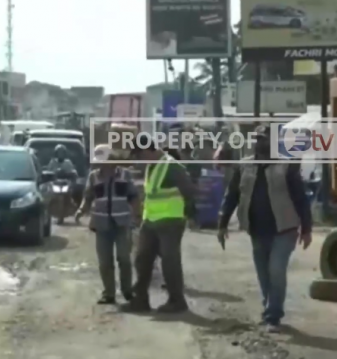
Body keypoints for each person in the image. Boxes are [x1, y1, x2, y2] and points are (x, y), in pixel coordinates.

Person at [218, 125, 312, 333]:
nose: (260, 143)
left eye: (265, 139)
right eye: (258, 139)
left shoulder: (287, 166)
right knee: (263, 273)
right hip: (257, 230)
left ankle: (273, 316)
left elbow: (300, 198)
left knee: (276, 270)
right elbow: (232, 196)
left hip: (284, 228)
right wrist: (222, 224)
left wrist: (307, 228)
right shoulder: (244, 166)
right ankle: (269, 307)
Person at [124, 133, 197, 313]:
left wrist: (190, 214)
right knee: (142, 259)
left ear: (149, 150)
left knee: (170, 261)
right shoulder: (152, 167)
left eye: (139, 154)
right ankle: (140, 299)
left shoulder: (172, 167)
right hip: (151, 220)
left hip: (171, 221)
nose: (138, 159)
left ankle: (177, 300)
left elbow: (189, 191)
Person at [74, 144, 140, 305]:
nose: (100, 164)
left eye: (104, 160)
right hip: (101, 224)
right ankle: (109, 293)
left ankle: (127, 291)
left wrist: (137, 215)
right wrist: (81, 210)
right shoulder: (94, 176)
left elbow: (133, 196)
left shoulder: (125, 175)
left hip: (122, 223)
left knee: (124, 258)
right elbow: (88, 196)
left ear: (112, 159)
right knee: (105, 261)